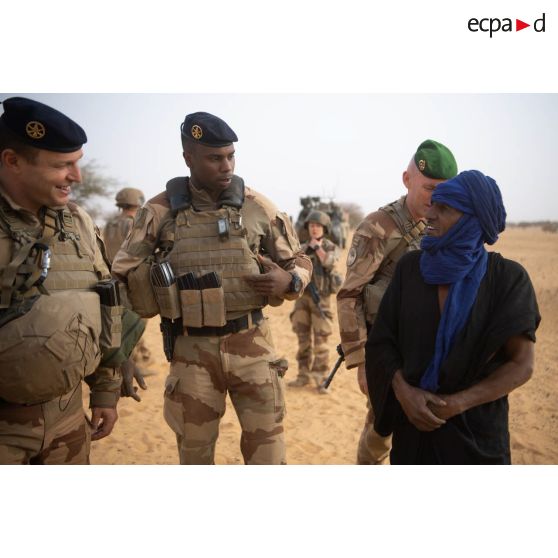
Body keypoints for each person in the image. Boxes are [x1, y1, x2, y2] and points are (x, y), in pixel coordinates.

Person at [112, 111, 312, 464]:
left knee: (269, 455)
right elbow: (120, 280)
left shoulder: (257, 206)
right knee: (194, 455)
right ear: (188, 158)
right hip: (191, 353)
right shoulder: (158, 212)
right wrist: (120, 354)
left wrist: (291, 280)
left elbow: (298, 260)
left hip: (253, 347)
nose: (227, 166)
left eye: (231, 156)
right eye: (215, 158)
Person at [366, 170, 540, 464]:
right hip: (412, 436)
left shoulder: (508, 279)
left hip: (477, 440)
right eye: (433, 204)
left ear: (473, 219)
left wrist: (457, 403)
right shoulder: (410, 269)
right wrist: (405, 393)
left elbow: (521, 364)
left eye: (444, 208)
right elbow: (382, 344)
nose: (430, 214)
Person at [0, 96, 120, 464]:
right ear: (13, 161)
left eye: (77, 163)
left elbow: (105, 304)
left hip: (68, 419)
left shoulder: (78, 222)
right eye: (62, 165)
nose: (77, 177)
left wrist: (105, 392)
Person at [336, 139, 458, 464]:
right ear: (407, 180)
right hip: (387, 352)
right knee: (380, 433)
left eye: (445, 190)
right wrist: (361, 362)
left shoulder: (449, 225)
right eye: (429, 188)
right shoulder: (379, 226)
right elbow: (349, 295)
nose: (437, 197)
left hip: (432, 351)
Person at [103, 187, 154, 402]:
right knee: (134, 324)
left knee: (121, 323)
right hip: (131, 280)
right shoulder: (134, 224)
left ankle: (139, 359)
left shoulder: (111, 224)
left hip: (112, 278)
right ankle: (133, 365)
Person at [288, 210, 341, 393]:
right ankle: (302, 376)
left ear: (324, 228)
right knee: (303, 339)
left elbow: (329, 263)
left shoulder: (330, 247)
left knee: (321, 341)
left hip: (322, 300)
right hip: (302, 299)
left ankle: (320, 378)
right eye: (312, 226)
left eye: (318, 226)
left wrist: (317, 248)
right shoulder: (301, 248)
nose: (314, 229)